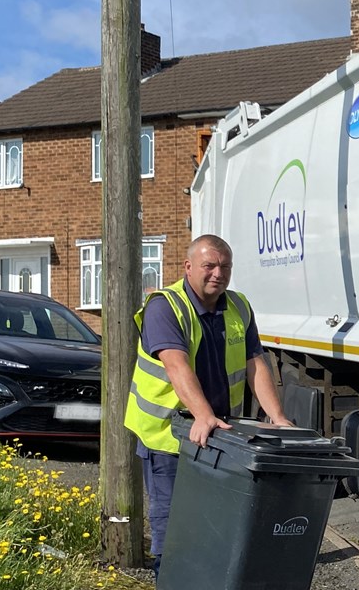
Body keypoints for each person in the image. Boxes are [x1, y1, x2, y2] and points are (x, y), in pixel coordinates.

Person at [124, 234, 292, 569]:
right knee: (174, 531)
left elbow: (255, 361)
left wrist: (277, 416)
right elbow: (175, 363)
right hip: (168, 438)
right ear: (188, 267)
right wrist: (202, 415)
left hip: (217, 437)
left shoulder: (239, 306)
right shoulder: (165, 306)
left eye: (225, 266)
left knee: (214, 527)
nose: (218, 273)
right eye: (209, 265)